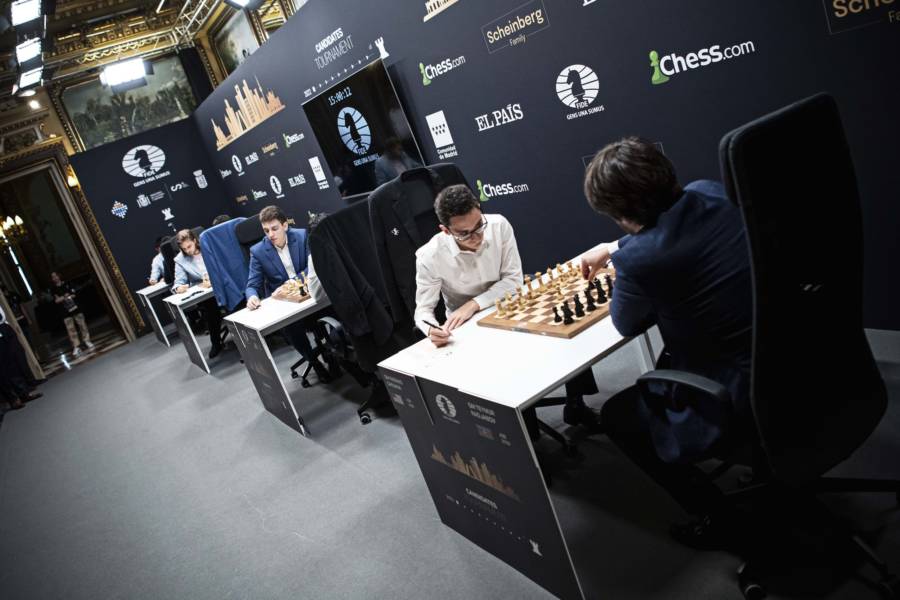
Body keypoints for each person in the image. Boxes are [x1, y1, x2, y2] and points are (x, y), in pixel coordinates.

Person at [581, 137, 753, 546]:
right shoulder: (710, 192)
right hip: (794, 357)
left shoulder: (641, 261)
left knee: (618, 415)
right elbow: (676, 225)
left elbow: (627, 322)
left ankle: (718, 518)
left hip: (740, 391)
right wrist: (615, 247)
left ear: (621, 215)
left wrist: (623, 254)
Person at [414, 184, 600, 431]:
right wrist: (431, 330)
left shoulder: (499, 225)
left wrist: (473, 304)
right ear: (445, 230)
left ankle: (576, 404)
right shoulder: (429, 256)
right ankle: (526, 430)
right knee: (505, 377)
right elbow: (423, 310)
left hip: (508, 300)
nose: (476, 237)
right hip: (468, 325)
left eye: (478, 226)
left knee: (567, 324)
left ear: (480, 210)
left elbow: (513, 280)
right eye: (464, 234)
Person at [245, 206, 331, 382]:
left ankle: (331, 352)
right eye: (266, 230)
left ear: (285, 225)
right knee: (291, 329)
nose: (270, 234)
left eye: (274, 228)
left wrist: (292, 282)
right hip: (285, 305)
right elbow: (252, 284)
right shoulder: (258, 251)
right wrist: (252, 296)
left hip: (309, 294)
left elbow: (311, 266)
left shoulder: (301, 236)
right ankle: (313, 361)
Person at [172, 228, 225, 359]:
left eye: (189, 246)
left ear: (195, 240)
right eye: (184, 249)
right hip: (206, 292)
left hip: (223, 284)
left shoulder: (208, 246)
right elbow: (178, 282)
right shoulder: (180, 259)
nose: (188, 250)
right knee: (210, 311)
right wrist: (179, 288)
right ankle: (216, 342)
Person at [0, 302, 42, 411]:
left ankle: (23, 393)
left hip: (4, 328)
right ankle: (13, 399)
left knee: (14, 363)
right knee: (2, 369)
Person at [50, 271, 93, 357]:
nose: (55, 278)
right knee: (71, 329)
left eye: (56, 276)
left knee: (82, 324)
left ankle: (87, 341)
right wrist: (64, 296)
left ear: (59, 276)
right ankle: (76, 346)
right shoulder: (53, 289)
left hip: (75, 308)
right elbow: (57, 300)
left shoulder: (68, 284)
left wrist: (64, 297)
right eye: (53, 277)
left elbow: (74, 294)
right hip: (64, 311)